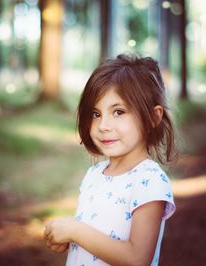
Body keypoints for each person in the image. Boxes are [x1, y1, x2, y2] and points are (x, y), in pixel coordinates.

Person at [44, 54, 177, 266]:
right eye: (96, 114)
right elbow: (98, 235)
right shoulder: (95, 174)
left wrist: (75, 231)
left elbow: (137, 258)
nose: (104, 125)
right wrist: (70, 239)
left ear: (153, 117)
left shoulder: (149, 180)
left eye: (118, 112)